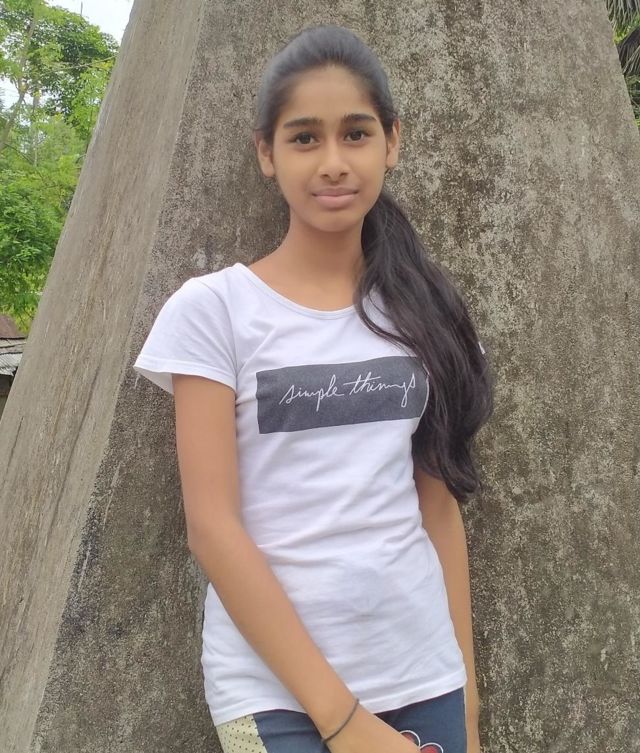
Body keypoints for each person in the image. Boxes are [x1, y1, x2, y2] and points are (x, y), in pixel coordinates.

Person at [133, 23, 494, 753]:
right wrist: (344, 722)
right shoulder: (215, 311)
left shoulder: (426, 315)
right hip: (273, 696)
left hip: (424, 677)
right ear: (266, 153)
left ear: (391, 142)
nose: (333, 162)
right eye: (304, 138)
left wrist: (466, 690)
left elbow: (437, 506)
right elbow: (213, 528)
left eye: (355, 134)